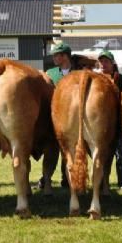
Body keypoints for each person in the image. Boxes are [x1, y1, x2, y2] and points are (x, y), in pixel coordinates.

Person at [38, 42, 73, 189]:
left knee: (70, 150)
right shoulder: (50, 73)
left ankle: (67, 179)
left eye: (56, 55)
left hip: (72, 117)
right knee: (52, 150)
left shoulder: (78, 72)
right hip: (54, 117)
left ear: (65, 56)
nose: (53, 58)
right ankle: (46, 179)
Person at [97, 50, 122, 191]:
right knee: (101, 154)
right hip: (101, 123)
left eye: (106, 61)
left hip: (117, 123)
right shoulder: (96, 79)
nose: (103, 64)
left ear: (112, 63)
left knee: (120, 154)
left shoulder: (120, 78)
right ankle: (103, 182)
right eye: (101, 61)